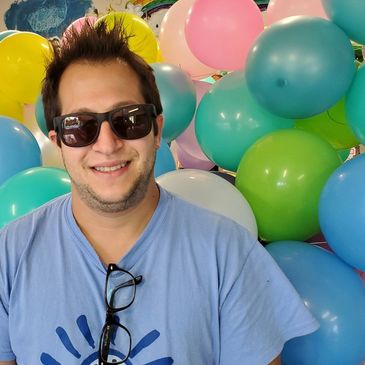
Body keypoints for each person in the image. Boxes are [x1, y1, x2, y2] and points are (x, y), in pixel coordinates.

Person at [0, 20, 319, 365]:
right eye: (81, 126)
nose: (107, 144)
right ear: (58, 142)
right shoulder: (10, 254)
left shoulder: (226, 252)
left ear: (157, 130)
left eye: (129, 119)